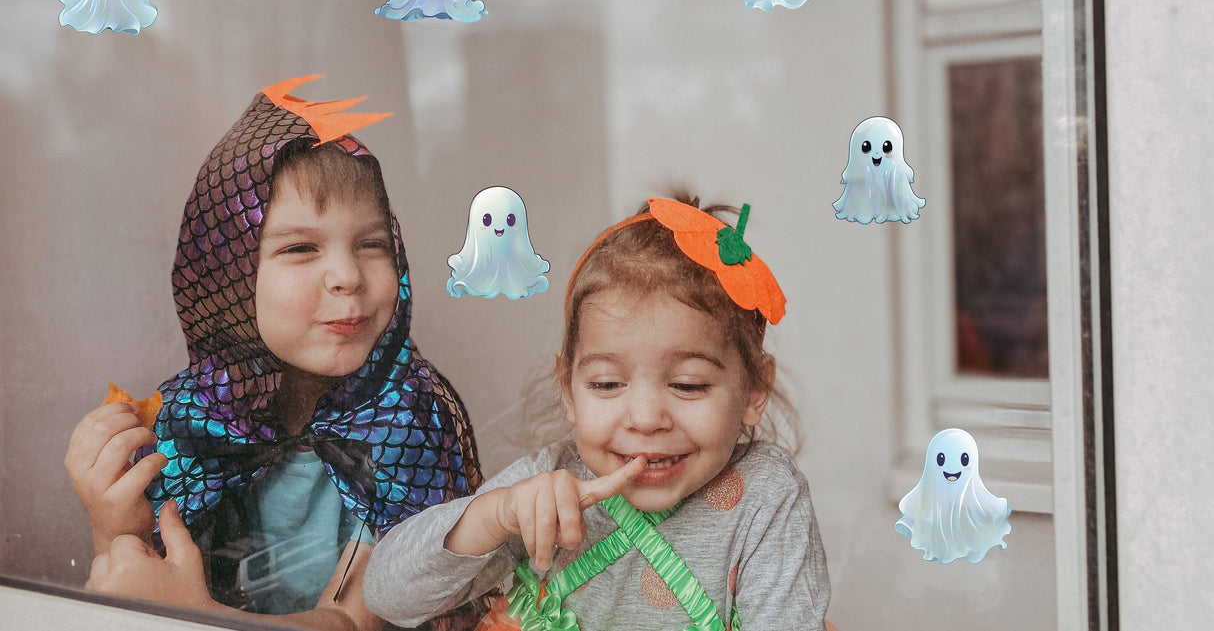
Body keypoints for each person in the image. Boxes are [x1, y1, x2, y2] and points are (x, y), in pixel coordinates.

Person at [65, 76, 484, 630]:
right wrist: (114, 525)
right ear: (228, 277)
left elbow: (359, 622)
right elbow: (131, 585)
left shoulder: (410, 419)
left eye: (372, 244)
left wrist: (198, 617)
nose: (348, 276)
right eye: (300, 248)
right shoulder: (187, 423)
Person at [363, 197, 832, 630]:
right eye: (607, 384)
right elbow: (387, 597)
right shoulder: (546, 483)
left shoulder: (768, 497)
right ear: (568, 388)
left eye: (688, 385)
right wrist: (496, 516)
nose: (646, 419)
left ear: (754, 389)